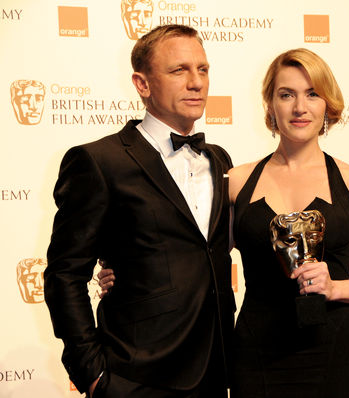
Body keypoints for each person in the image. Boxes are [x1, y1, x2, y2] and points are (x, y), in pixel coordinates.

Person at [44, 24, 234, 398]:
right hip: (137, 377)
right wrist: (95, 375)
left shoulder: (219, 160)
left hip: (217, 371)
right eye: (179, 70)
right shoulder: (99, 161)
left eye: (203, 69)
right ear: (142, 84)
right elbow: (64, 274)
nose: (196, 82)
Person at [226, 48, 349, 397]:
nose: (299, 107)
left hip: (335, 354)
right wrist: (122, 274)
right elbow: (196, 255)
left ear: (327, 105)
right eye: (286, 94)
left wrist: (335, 287)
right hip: (257, 354)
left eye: (312, 94)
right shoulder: (237, 182)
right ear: (270, 105)